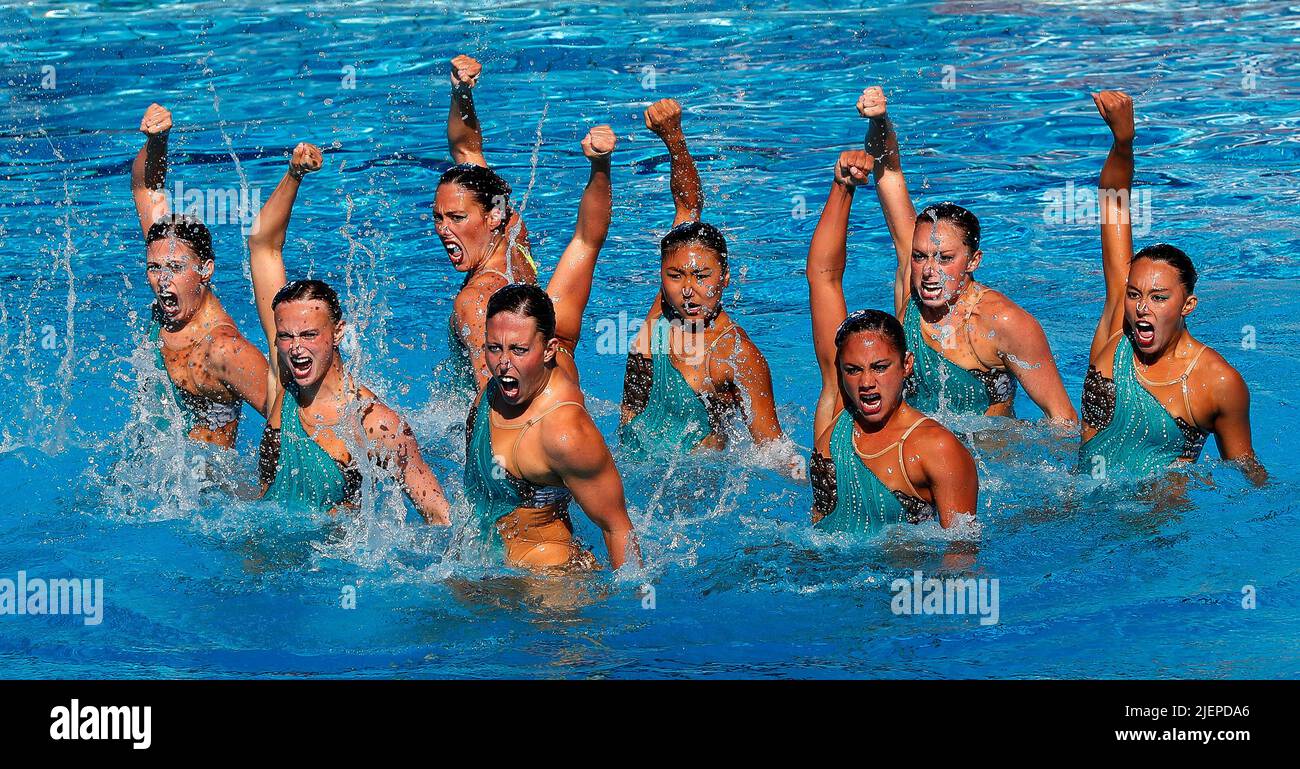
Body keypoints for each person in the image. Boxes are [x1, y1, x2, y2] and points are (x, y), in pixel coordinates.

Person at [461, 122, 637, 571]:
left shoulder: (564, 431)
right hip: (490, 563)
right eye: (494, 349)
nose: (503, 364)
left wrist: (601, 168)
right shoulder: (501, 369)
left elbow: (618, 528)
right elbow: (580, 238)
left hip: (550, 583)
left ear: (550, 348)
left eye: (519, 351)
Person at [248, 142, 452, 522]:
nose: (295, 348)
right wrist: (294, 175)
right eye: (286, 336)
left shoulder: (375, 423)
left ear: (338, 332)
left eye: (309, 335)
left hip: (321, 572)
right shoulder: (285, 378)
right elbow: (262, 247)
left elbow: (440, 515)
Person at [1079, 91, 1266, 485]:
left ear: (1188, 305)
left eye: (1159, 298)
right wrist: (1123, 143)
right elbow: (1113, 203)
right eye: (1135, 295)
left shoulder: (1217, 382)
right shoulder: (1120, 329)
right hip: (1079, 496)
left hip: (1156, 521)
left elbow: (1247, 476)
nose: (1141, 308)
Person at [858, 87, 1076, 422]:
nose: (929, 270)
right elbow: (889, 174)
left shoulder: (1006, 323)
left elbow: (1061, 419)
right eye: (920, 257)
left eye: (945, 259)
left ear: (973, 261)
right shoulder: (911, 290)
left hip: (990, 463)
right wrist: (880, 122)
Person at [807, 149, 979, 533]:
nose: (866, 383)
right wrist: (842, 188)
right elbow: (823, 276)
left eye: (881, 368)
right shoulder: (838, 408)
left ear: (907, 366)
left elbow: (961, 558)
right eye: (853, 370)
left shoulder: (936, 449)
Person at [619, 98, 788, 456]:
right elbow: (688, 207)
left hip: (692, 492)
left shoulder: (736, 354)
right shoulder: (663, 309)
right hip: (629, 468)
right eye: (676, 275)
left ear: (724, 278)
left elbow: (773, 450)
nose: (689, 290)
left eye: (702, 276)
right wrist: (672, 140)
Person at [130, 103, 269, 447]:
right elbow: (145, 189)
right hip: (153, 471)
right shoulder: (168, 263)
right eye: (154, 268)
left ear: (205, 271)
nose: (163, 280)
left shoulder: (223, 350)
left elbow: (290, 417)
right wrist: (158, 141)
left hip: (208, 487)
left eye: (176, 269)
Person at [438, 54, 541, 394]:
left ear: (490, 217)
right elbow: (467, 149)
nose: (443, 229)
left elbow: (492, 399)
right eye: (438, 218)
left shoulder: (475, 302)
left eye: (456, 217)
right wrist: (461, 93)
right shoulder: (512, 231)